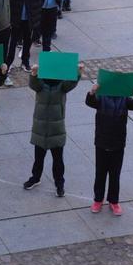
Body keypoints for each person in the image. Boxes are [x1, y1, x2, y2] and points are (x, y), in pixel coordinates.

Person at [25, 61, 83, 195]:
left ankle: (59, 184)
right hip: (40, 129)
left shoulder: (62, 86)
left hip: (56, 130)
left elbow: (72, 83)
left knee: (58, 161)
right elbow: (33, 84)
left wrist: (77, 73)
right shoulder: (41, 85)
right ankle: (35, 178)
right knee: (38, 158)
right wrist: (34, 74)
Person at [84, 82, 133, 214]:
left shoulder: (125, 99)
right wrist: (92, 92)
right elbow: (90, 102)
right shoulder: (102, 97)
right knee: (100, 173)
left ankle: (113, 201)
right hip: (101, 142)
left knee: (115, 175)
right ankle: (98, 199)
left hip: (118, 142)